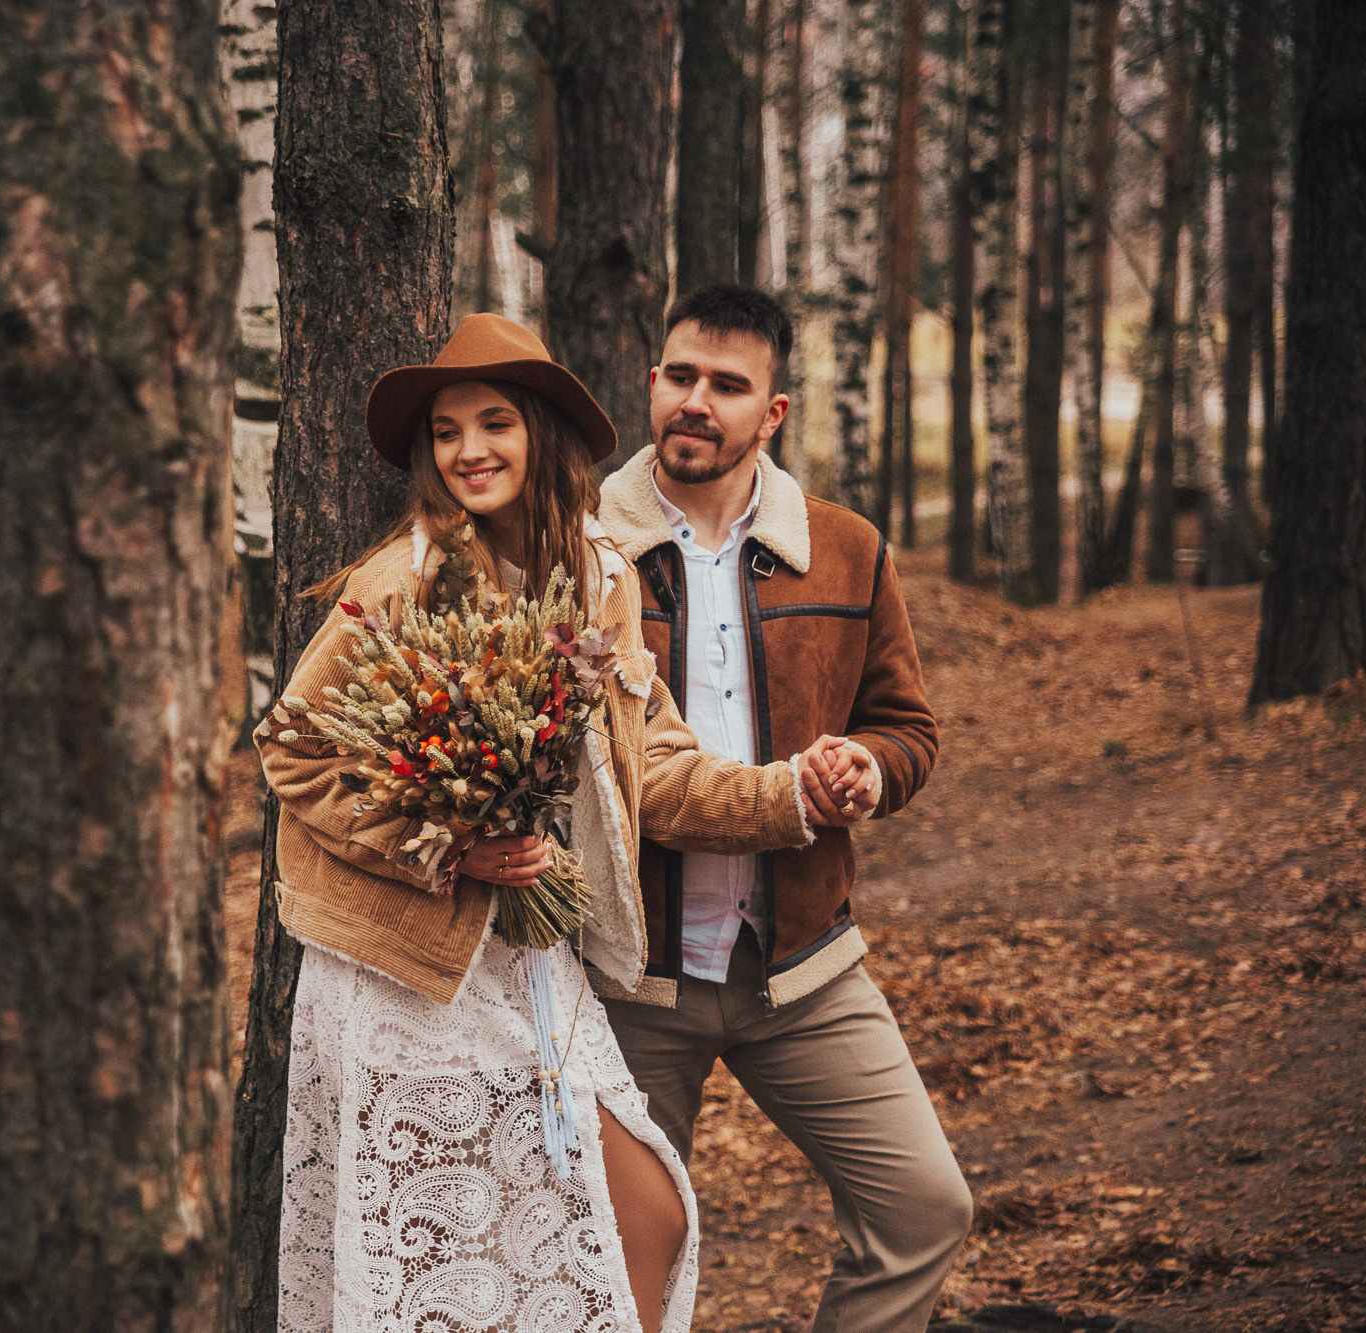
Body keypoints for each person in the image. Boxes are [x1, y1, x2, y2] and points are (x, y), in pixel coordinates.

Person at [254, 313, 863, 1333]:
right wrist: (446, 847)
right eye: (446, 431)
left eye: (494, 423)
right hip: (407, 966)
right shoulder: (400, 580)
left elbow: (649, 763)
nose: (469, 450)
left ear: (539, 432)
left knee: (646, 1216)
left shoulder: (597, 578)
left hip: (535, 958)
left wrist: (787, 794)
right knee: (451, 1274)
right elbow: (291, 747)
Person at [594, 284, 972, 1333]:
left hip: (800, 964)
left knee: (922, 1209)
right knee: (613, 1267)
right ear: (651, 381)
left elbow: (907, 725)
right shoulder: (583, 549)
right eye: (680, 376)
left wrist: (872, 769)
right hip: (627, 978)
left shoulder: (846, 547)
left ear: (772, 413)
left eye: (726, 385)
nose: (694, 401)